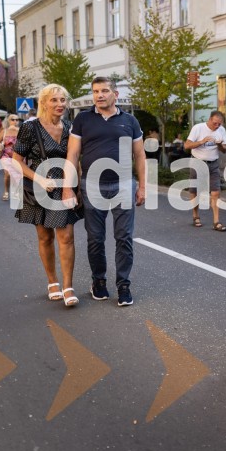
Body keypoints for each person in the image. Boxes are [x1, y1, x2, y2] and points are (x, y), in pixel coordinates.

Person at [62, 76, 146, 307]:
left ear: (115, 94)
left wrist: (143, 187)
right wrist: (69, 187)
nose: (99, 95)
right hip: (92, 184)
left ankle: (123, 285)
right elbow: (72, 155)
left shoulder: (130, 121)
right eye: (96, 91)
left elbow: (139, 155)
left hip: (124, 184)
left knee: (124, 237)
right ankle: (98, 281)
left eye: (104, 91)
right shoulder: (82, 119)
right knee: (96, 238)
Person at [13, 85, 82, 307]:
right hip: (38, 187)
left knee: (67, 236)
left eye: (63, 99)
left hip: (64, 186)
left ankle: (68, 286)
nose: (60, 104)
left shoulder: (71, 127)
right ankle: (52, 281)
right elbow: (16, 160)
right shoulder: (30, 127)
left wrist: (76, 185)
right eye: (54, 100)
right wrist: (39, 179)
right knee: (45, 237)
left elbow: (75, 158)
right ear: (44, 103)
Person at [184, 112, 226, 230]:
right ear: (209, 120)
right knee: (194, 190)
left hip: (213, 163)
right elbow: (186, 146)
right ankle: (195, 216)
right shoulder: (198, 128)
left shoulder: (221, 130)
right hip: (198, 162)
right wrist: (201, 141)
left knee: (215, 192)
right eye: (215, 123)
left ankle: (216, 222)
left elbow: (225, 150)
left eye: (219, 124)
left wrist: (219, 145)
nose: (217, 126)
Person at [0, 114, 21, 201]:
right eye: (13, 119)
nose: (15, 121)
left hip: (18, 155)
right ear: (9, 121)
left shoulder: (21, 131)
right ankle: (6, 191)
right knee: (7, 174)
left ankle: (16, 192)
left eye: (17, 120)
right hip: (6, 155)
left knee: (17, 175)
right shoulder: (4, 131)